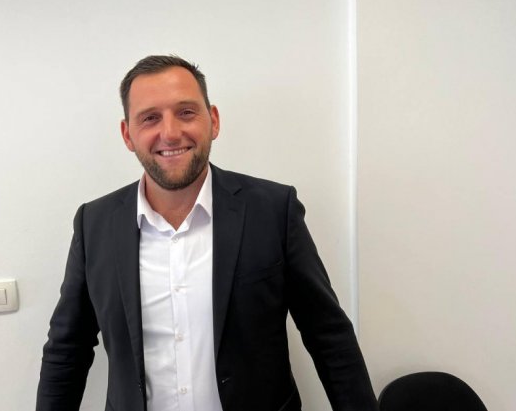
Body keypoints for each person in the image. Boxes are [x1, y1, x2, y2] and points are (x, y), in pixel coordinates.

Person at [36, 55, 378, 411]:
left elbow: (328, 336)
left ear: (213, 120)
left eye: (186, 112)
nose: (170, 132)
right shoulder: (95, 224)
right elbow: (67, 350)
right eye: (150, 118)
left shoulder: (273, 211)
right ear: (127, 134)